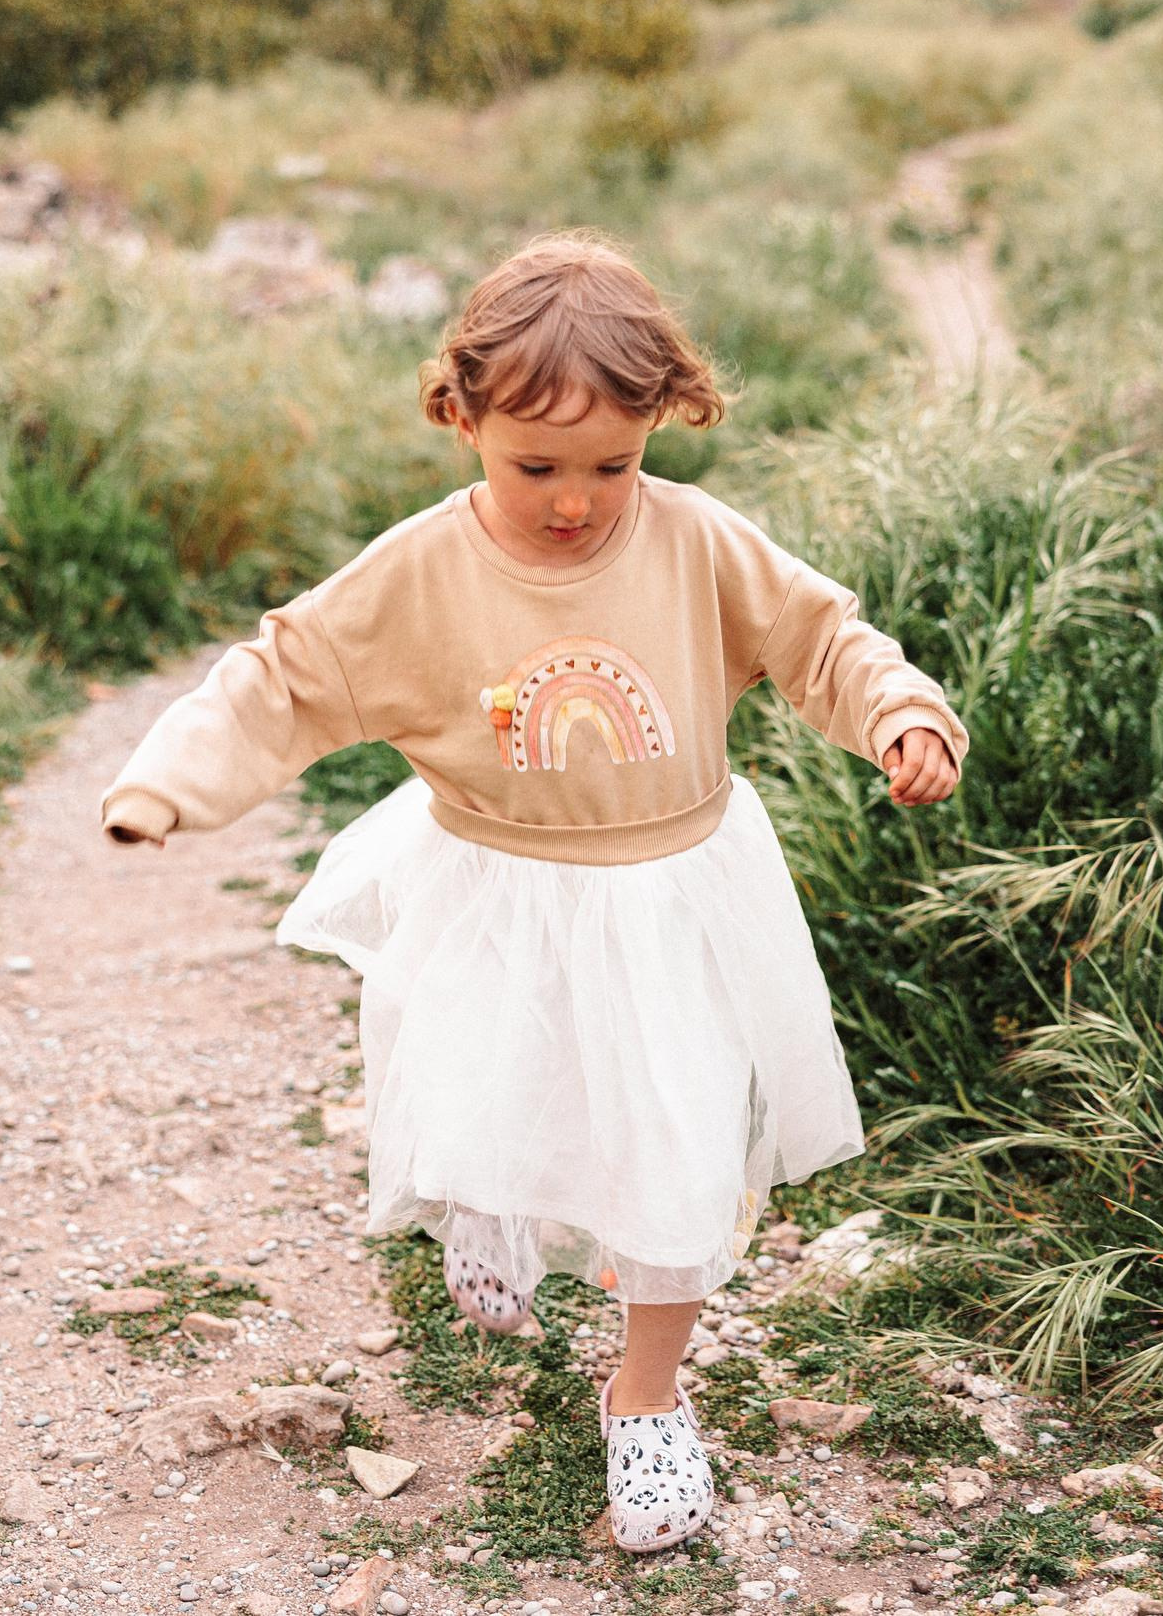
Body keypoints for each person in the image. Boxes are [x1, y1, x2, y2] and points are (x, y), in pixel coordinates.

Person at [98, 228, 968, 1554]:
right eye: (535, 467)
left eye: (613, 465)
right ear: (462, 417)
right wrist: (171, 783)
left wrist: (899, 713)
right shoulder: (424, 568)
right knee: (498, 1082)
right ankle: (487, 1208)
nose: (575, 500)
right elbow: (286, 676)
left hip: (671, 888)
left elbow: (820, 639)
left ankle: (648, 1395)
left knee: (675, 1140)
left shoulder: (693, 542)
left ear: (662, 424)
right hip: (496, 884)